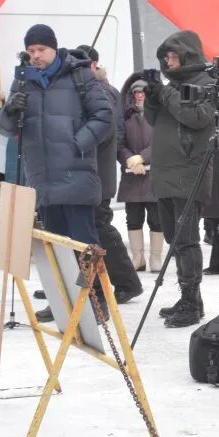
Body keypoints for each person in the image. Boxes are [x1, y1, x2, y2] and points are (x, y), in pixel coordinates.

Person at [0, 25, 114, 322]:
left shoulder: (79, 74)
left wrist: (78, 144)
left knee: (84, 245)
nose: (35, 56)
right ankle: (61, 300)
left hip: (76, 173)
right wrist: (10, 109)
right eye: (31, 51)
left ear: (53, 48)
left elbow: (104, 115)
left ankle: (95, 302)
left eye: (41, 50)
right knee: (55, 247)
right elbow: (5, 129)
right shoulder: (22, 81)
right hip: (43, 178)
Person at [145, 30, 215, 329]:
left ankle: (191, 301)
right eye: (167, 58)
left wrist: (167, 93)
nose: (169, 62)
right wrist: (152, 97)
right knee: (175, 239)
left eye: (174, 57)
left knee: (187, 240)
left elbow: (197, 118)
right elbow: (154, 121)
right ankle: (190, 297)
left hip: (189, 172)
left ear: (187, 55)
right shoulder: (172, 85)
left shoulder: (207, 83)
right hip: (165, 171)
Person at [76, 45, 142, 305]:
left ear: (93, 65)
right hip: (93, 174)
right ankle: (98, 282)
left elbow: (103, 133)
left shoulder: (102, 92)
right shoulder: (94, 90)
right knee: (95, 228)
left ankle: (126, 282)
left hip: (99, 174)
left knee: (100, 227)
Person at [117, 76, 162, 271]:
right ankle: (138, 258)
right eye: (136, 93)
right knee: (133, 218)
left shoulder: (160, 117)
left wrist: (142, 157)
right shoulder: (125, 117)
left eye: (143, 92)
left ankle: (156, 258)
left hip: (154, 175)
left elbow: (162, 142)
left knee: (156, 219)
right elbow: (118, 143)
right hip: (131, 175)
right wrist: (129, 159)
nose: (140, 96)